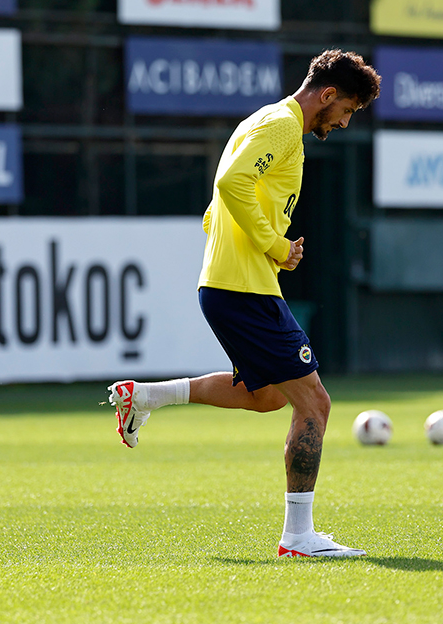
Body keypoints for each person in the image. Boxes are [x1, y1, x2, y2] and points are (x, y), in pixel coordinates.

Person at [108, 50, 381, 558]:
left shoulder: (267, 122)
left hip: (236, 284)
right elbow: (230, 183)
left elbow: (216, 212)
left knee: (268, 397)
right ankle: (299, 538)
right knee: (315, 403)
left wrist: (266, 250)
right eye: (347, 110)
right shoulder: (280, 124)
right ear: (327, 95)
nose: (344, 121)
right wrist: (274, 247)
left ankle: (144, 396)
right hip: (243, 289)